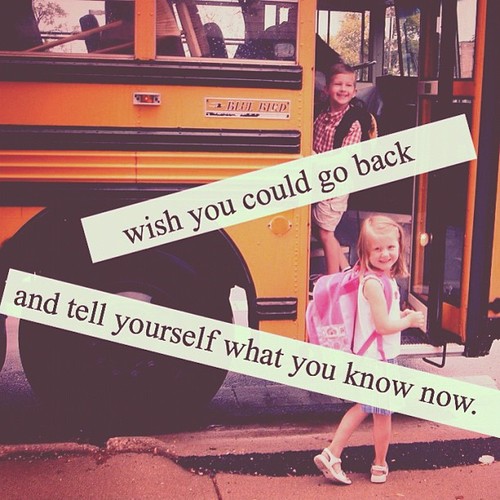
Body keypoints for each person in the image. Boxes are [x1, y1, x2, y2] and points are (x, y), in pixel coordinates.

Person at [313, 215, 425, 485]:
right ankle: (374, 464)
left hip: (374, 356)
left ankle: (337, 454)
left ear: (400, 246)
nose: (385, 254)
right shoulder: (374, 283)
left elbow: (382, 317)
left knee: (368, 408)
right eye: (377, 249)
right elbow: (383, 326)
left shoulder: (380, 279)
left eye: (390, 247)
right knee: (381, 414)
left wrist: (399, 314)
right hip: (379, 359)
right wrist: (409, 321)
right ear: (365, 251)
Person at [312, 62, 361, 275]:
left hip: (335, 185)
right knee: (319, 229)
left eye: (348, 85)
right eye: (338, 84)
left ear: (355, 92)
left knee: (326, 233)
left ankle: (332, 281)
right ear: (326, 89)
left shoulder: (352, 123)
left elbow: (344, 160)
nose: (343, 89)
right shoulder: (321, 115)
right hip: (317, 181)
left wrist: (313, 158)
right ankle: (346, 270)